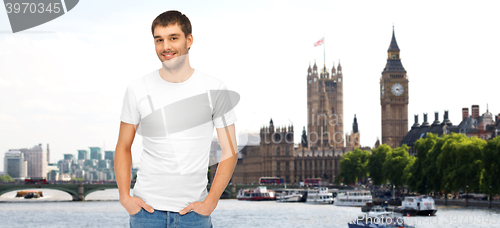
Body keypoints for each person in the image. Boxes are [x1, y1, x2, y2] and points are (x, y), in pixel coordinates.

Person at [115, 10, 238, 228]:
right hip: (146, 213)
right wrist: (125, 197)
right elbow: (124, 145)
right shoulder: (137, 88)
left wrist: (210, 202)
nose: (166, 47)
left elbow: (230, 150)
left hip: (194, 214)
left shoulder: (216, 89)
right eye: (159, 40)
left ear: (189, 40)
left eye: (173, 38)